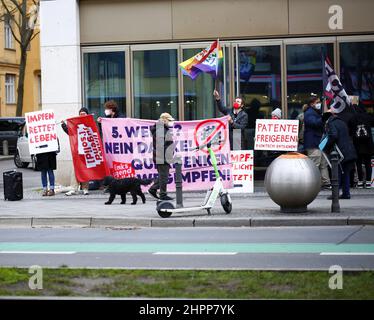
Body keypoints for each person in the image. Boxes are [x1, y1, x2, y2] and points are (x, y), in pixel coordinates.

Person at [324, 107, 357, 199]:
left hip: (340, 152)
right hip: (349, 150)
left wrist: (326, 145)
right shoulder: (342, 122)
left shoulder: (331, 122)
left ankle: (335, 194)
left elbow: (334, 135)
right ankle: (346, 193)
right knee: (345, 172)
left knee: (336, 172)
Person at [61, 107, 90, 196]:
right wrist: (64, 125)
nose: (82, 115)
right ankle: (74, 188)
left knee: (85, 170)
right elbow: (70, 132)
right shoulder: (76, 125)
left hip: (86, 151)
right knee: (75, 170)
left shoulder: (90, 124)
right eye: (80, 114)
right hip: (77, 151)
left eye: (84, 113)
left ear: (87, 114)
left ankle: (85, 188)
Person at [304, 96, 331, 190]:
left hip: (319, 142)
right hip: (314, 143)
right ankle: (312, 184)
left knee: (323, 164)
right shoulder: (309, 113)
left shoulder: (314, 112)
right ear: (312, 104)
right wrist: (324, 118)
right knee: (315, 164)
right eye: (317, 102)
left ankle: (326, 182)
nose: (319, 104)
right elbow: (315, 123)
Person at [148, 112, 175, 201]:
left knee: (163, 175)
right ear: (164, 120)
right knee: (164, 176)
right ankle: (162, 194)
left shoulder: (161, 129)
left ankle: (153, 189)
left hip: (161, 156)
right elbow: (161, 146)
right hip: (162, 157)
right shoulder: (161, 130)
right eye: (169, 120)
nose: (171, 122)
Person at [352, 104, 374, 188]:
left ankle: (360, 182)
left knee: (358, 163)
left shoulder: (353, 119)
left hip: (357, 144)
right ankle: (368, 182)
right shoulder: (368, 117)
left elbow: (350, 131)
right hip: (368, 144)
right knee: (368, 163)